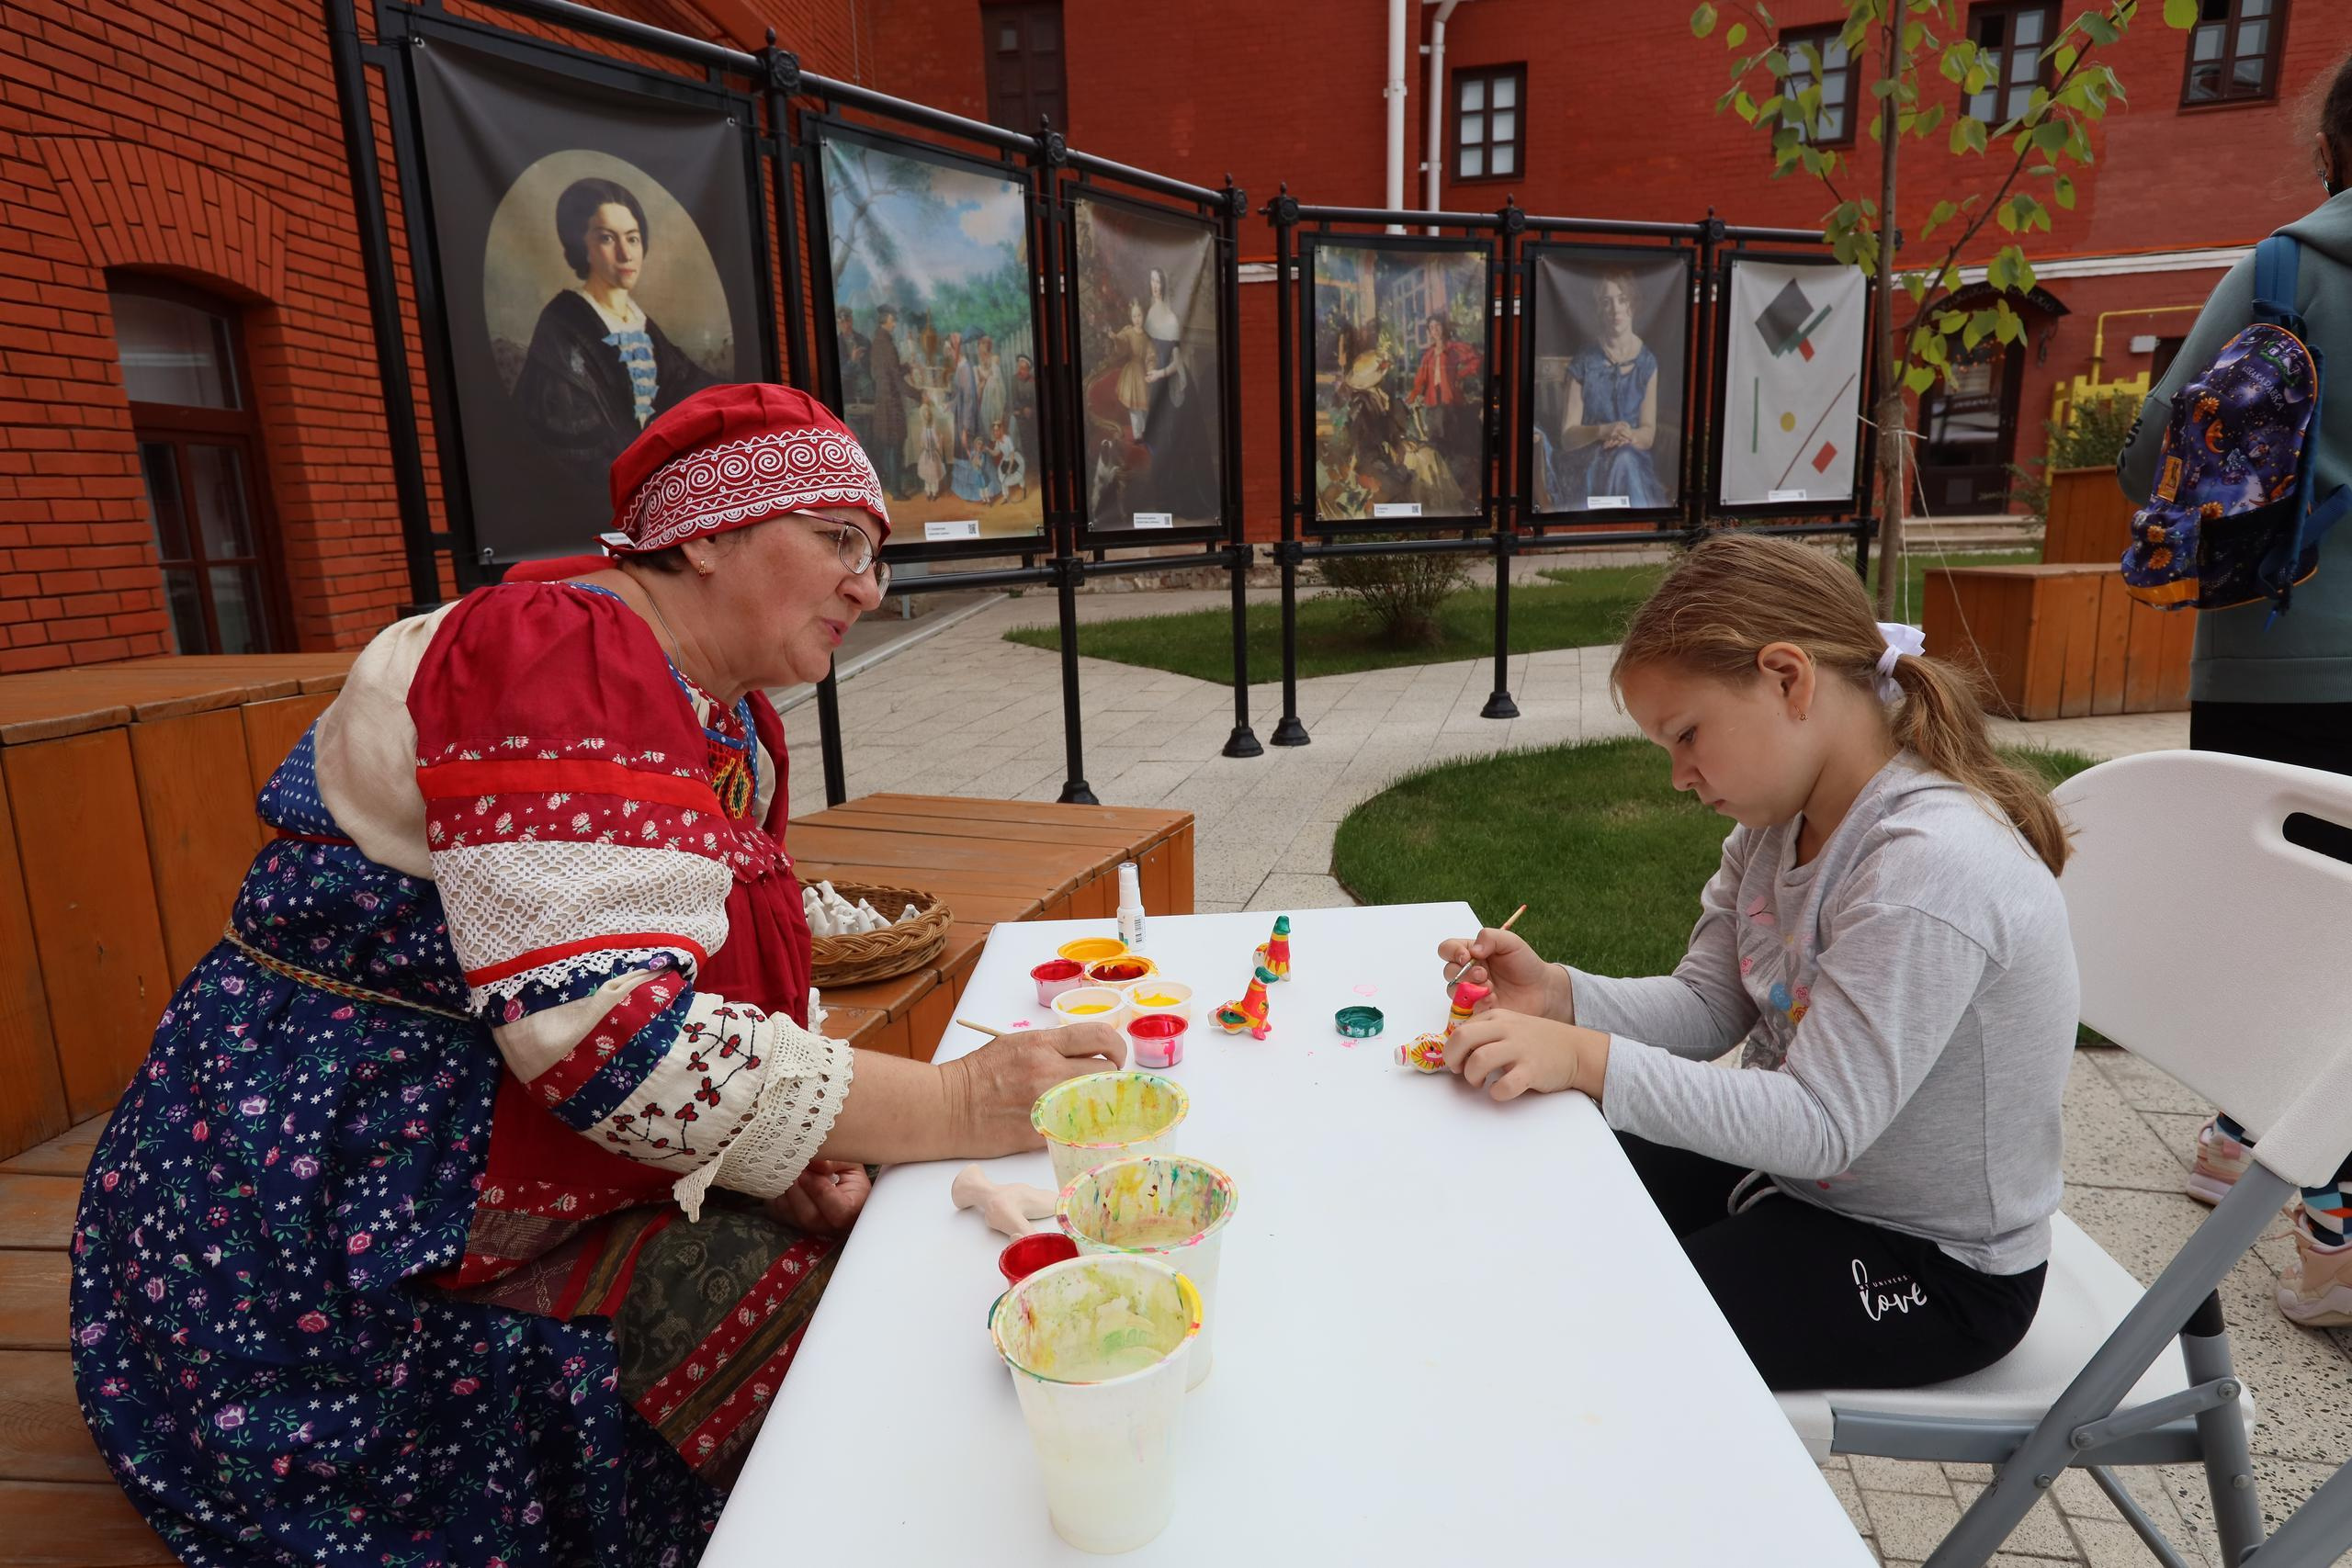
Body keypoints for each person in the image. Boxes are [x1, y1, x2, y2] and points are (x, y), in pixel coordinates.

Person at [68, 383, 1125, 1564]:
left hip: (475, 1108)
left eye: (873, 557)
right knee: (855, 1341)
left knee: (890, 1275)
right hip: (341, 1184)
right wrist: (951, 1103)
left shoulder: (719, 711)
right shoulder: (558, 651)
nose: (866, 587)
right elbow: (611, 1047)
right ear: (711, 532)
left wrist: (795, 1159)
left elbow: (667, 982)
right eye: (837, 538)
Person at [1435, 535, 2076, 1391]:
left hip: (1935, 1264)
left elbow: (1821, 1120)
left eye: (1687, 734)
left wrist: (1587, 1060)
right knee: (1553, 1191)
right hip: (1798, 1177)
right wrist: (1558, 997)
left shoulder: (1926, 870)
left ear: (1787, 677)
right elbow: (1709, 1008)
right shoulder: (1773, 828)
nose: (1678, 776)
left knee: (1594, 1332)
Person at [2117, 52, 2352, 1329]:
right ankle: (2315, 1209)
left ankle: (2257, 1146)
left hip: (2278, 641)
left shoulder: (2283, 271)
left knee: (2285, 903)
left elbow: (2157, 448)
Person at [514, 176, 716, 478]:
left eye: (632, 238)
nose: (625, 254)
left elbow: (690, 386)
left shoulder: (644, 326)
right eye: (607, 238)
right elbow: (566, 431)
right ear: (580, 245)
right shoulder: (563, 325)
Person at [1542, 267, 1669, 510]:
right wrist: (1603, 431)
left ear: (1633, 303)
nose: (1616, 309)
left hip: (1631, 458)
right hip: (1586, 462)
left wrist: (1627, 435)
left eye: (1622, 300)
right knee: (1623, 462)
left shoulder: (1647, 363)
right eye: (1607, 302)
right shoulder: (1585, 361)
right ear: (1600, 310)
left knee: (1625, 459)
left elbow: (1648, 432)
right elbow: (1568, 437)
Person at [865, 304, 910, 500]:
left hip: (883, 400)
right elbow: (896, 381)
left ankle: (893, 486)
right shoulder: (886, 344)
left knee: (891, 445)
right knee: (895, 445)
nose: (895, 323)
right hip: (890, 403)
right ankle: (896, 490)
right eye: (893, 320)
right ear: (885, 321)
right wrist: (918, 394)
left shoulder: (878, 341)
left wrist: (905, 368)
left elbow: (887, 372)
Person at [916, 400, 944, 501]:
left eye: (928, 416)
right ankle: (928, 492)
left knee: (935, 474)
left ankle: (934, 492)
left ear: (930, 417)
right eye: (925, 416)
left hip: (933, 454)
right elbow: (921, 442)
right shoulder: (923, 429)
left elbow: (937, 442)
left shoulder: (933, 429)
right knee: (927, 474)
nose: (927, 418)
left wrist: (939, 440)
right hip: (926, 455)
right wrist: (923, 445)